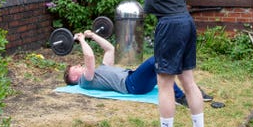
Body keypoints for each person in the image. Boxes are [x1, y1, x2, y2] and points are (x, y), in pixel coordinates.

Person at [63, 30, 203, 107]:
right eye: (75, 67)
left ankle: (189, 90)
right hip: (132, 85)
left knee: (162, 67)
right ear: (73, 77)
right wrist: (81, 40)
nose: (79, 65)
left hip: (135, 79)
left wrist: (93, 36)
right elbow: (89, 57)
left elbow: (109, 49)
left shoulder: (100, 71)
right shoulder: (84, 81)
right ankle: (180, 97)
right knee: (155, 61)